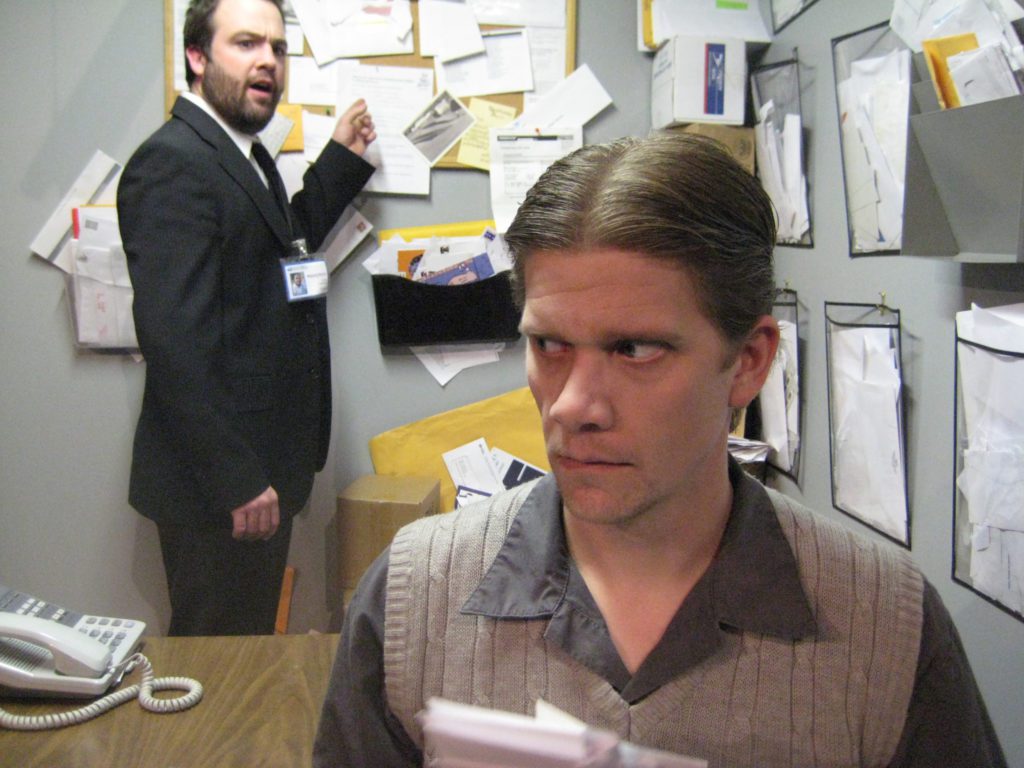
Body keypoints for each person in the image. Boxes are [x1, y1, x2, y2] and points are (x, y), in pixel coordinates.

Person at [312, 133, 1007, 767]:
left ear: (748, 362)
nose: (572, 406)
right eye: (549, 344)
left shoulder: (888, 626)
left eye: (635, 349)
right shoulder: (411, 600)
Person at [118, 0, 376, 636]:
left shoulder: (243, 157)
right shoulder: (174, 162)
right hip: (224, 487)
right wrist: (235, 478)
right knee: (218, 664)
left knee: (243, 653)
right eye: (246, 43)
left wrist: (341, 162)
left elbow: (280, 249)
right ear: (197, 58)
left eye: (278, 47)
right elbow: (173, 341)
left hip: (258, 471)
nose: (267, 60)